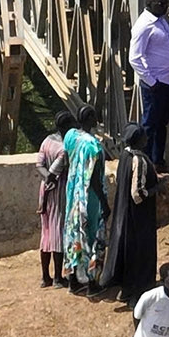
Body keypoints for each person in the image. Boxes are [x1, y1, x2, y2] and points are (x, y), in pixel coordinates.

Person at [104, 124, 159, 302]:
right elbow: (138, 194)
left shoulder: (124, 156)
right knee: (140, 251)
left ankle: (126, 289)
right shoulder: (139, 160)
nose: (147, 139)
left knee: (126, 249)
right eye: (144, 137)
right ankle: (138, 292)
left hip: (123, 212)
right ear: (138, 140)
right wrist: (157, 188)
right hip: (138, 217)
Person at [130, 0, 169, 169]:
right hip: (155, 83)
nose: (165, 7)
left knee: (162, 123)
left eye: (165, 3)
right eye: (160, 4)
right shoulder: (143, 25)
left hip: (168, 80)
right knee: (150, 124)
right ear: (149, 5)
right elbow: (135, 57)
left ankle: (158, 160)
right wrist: (151, 81)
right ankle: (146, 162)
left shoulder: (161, 20)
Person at [61, 106, 108, 294]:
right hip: (90, 199)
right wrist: (105, 203)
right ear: (90, 119)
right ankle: (92, 284)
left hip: (73, 194)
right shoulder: (92, 145)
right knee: (92, 237)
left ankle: (73, 280)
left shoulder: (71, 136)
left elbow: (67, 160)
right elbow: (95, 179)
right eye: (94, 116)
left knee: (73, 235)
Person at [35, 114, 72, 288]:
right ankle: (58, 277)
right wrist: (51, 179)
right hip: (58, 191)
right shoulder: (63, 148)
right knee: (57, 234)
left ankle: (45, 277)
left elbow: (39, 166)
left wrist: (46, 180)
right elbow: (53, 172)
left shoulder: (47, 141)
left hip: (44, 190)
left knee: (46, 233)